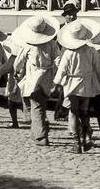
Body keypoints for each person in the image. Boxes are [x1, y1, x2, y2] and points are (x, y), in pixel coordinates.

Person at [12, 15, 63, 145]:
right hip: (47, 78)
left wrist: (17, 72)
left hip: (33, 78)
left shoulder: (28, 46)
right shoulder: (52, 45)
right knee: (41, 104)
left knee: (36, 106)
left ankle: (41, 136)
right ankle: (38, 130)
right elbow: (58, 61)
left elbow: (18, 63)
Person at [55, 20, 100, 154]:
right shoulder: (92, 51)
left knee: (73, 113)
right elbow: (99, 69)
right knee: (84, 112)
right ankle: (87, 136)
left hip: (72, 86)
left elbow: (62, 71)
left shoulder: (69, 53)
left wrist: (56, 84)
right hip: (87, 85)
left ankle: (77, 143)